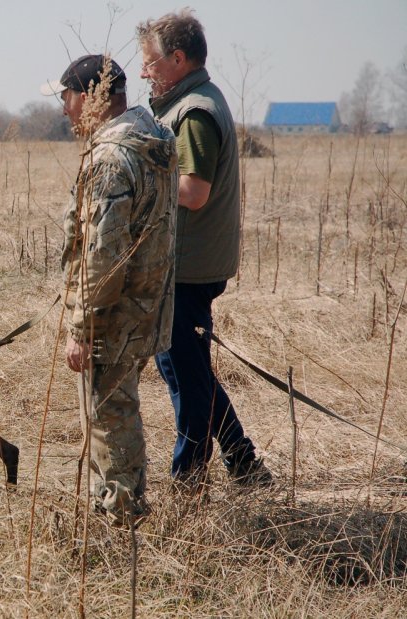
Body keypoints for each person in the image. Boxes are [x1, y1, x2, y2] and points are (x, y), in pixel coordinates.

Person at [137, 9, 272, 486]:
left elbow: (193, 193)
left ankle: (188, 484)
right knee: (186, 372)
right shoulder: (191, 101)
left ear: (177, 59)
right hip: (187, 263)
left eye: (150, 62)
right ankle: (243, 460)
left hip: (188, 269)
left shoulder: (194, 112)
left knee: (187, 383)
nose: (144, 72)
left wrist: (143, 176)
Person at [44, 54, 178, 526]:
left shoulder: (109, 157)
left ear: (90, 96)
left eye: (67, 97)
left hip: (112, 315)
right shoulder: (155, 138)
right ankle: (122, 509)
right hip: (148, 306)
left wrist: (82, 325)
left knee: (108, 418)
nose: (65, 109)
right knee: (119, 409)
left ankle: (121, 520)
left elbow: (104, 255)